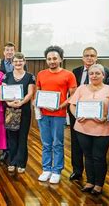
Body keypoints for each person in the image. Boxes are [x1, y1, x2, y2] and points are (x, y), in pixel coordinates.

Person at [69, 64, 109, 195]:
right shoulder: (81, 88)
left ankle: (99, 184)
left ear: (103, 75)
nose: (94, 76)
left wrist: (106, 117)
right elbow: (72, 105)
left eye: (97, 73)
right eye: (91, 74)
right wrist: (76, 115)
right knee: (88, 156)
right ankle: (90, 181)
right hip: (82, 128)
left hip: (103, 129)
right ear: (88, 75)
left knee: (99, 157)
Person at [35, 45, 77, 184]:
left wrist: (61, 106)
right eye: (49, 59)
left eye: (54, 58)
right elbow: (38, 92)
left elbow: (73, 96)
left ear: (60, 59)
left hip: (59, 114)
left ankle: (56, 171)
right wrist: (39, 103)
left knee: (57, 143)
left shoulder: (68, 75)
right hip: (43, 114)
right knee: (46, 143)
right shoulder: (41, 74)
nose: (52, 61)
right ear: (46, 60)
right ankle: (46, 169)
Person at [2, 52, 35, 173]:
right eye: (15, 61)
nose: (18, 63)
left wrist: (21, 103)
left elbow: (30, 93)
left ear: (24, 62)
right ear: (12, 62)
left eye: (20, 61)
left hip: (24, 110)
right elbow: (3, 91)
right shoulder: (7, 76)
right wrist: (9, 103)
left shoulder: (30, 76)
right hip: (10, 110)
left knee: (22, 136)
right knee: (11, 136)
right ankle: (12, 161)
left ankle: (21, 162)